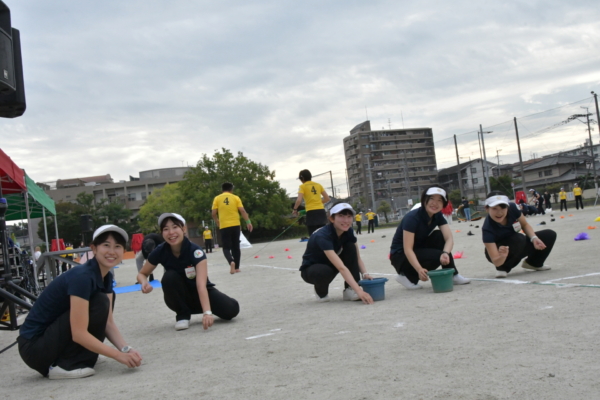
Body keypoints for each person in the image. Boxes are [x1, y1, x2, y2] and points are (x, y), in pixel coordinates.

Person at [17, 225, 142, 379]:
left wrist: (126, 349)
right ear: (94, 249)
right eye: (106, 245)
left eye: (117, 246)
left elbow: (108, 323)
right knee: (99, 301)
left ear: (123, 250)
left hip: (49, 340)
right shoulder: (82, 277)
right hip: (35, 348)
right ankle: (65, 365)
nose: (112, 251)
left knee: (101, 301)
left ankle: (78, 355)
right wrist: (117, 356)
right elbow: (79, 333)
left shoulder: (106, 277)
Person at [138, 213, 239, 331]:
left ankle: (197, 308)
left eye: (175, 227)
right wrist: (144, 282)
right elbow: (142, 273)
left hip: (199, 292)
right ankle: (182, 315)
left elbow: (201, 285)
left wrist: (207, 312)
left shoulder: (195, 251)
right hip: (178, 297)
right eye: (166, 229)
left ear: (184, 229)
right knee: (169, 276)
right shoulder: (160, 251)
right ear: (162, 233)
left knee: (232, 309)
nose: (171, 232)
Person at [390, 186, 470, 290]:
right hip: (400, 256)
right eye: (431, 198)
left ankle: (452, 275)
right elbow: (408, 249)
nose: (435, 203)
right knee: (437, 256)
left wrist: (445, 253)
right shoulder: (412, 218)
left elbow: (449, 238)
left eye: (439, 200)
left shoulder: (437, 215)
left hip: (417, 248)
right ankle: (406, 276)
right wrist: (419, 269)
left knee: (439, 236)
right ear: (424, 199)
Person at [300, 202, 374, 304]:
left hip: (333, 264)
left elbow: (357, 258)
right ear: (332, 218)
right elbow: (341, 268)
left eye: (349, 216)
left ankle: (349, 290)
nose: (346, 221)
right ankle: (321, 292)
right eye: (341, 216)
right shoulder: (323, 235)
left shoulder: (349, 231)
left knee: (350, 246)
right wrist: (359, 291)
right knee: (323, 271)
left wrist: (365, 274)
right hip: (313, 270)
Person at [482, 191, 557, 278]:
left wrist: (534, 238)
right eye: (495, 208)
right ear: (487, 208)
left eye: (503, 208)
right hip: (500, 252)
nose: (499, 212)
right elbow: (495, 260)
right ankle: (503, 268)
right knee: (519, 238)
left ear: (508, 206)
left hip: (518, 243)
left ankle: (534, 263)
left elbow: (524, 224)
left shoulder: (513, 208)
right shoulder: (487, 229)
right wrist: (502, 257)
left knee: (549, 235)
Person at [212, 182, 253, 274]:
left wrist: (217, 222)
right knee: (236, 246)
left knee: (226, 248)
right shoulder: (235, 198)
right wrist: (248, 222)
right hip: (235, 225)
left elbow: (213, 213)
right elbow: (242, 211)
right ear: (231, 189)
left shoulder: (217, 198)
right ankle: (237, 267)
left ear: (222, 190)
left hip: (224, 226)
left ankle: (231, 261)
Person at [292, 169, 331, 236]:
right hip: (321, 212)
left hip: (311, 212)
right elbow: (327, 198)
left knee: (313, 235)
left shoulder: (302, 186)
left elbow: (299, 200)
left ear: (302, 178)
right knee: (323, 234)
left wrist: (295, 209)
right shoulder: (318, 185)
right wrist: (318, 202)